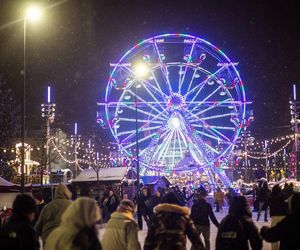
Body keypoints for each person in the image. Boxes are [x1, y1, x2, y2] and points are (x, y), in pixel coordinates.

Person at [267, 184, 287, 250]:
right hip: (283, 217)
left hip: (274, 217)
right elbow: (285, 207)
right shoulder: (282, 197)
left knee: (274, 235)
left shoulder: (271, 197)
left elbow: (268, 205)